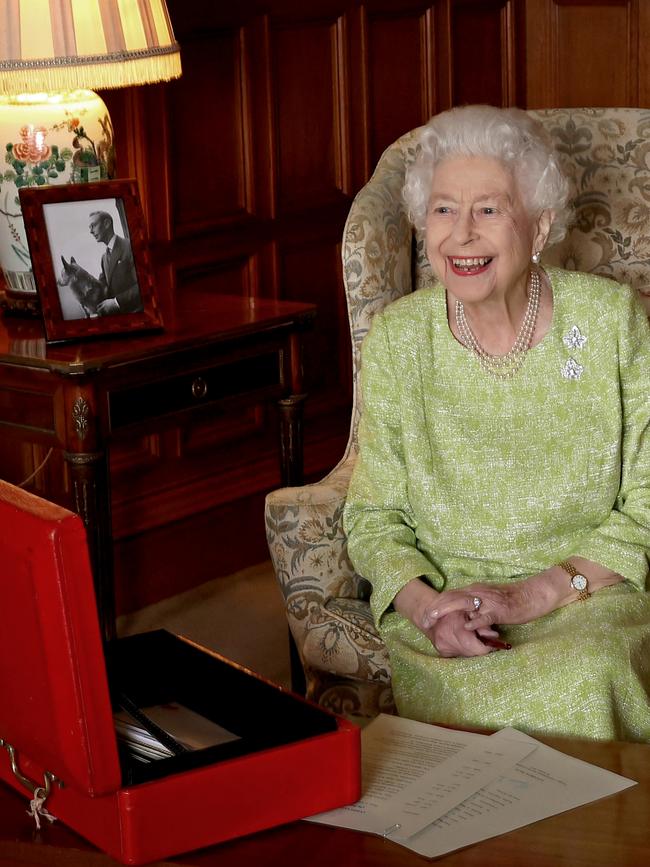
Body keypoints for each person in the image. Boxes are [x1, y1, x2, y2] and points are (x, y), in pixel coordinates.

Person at [343, 105, 650, 742]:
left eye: (489, 209)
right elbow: (373, 517)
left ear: (538, 228)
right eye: (443, 209)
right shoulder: (399, 340)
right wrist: (428, 610)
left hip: (585, 595)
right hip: (450, 609)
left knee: (588, 676)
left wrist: (534, 594)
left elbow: (648, 500)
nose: (462, 235)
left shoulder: (611, 323)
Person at [88, 210, 143, 315]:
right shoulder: (104, 258)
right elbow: (102, 288)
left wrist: (116, 302)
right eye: (89, 228)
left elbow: (142, 286)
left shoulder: (130, 246)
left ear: (107, 223)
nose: (90, 231)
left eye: (93, 225)